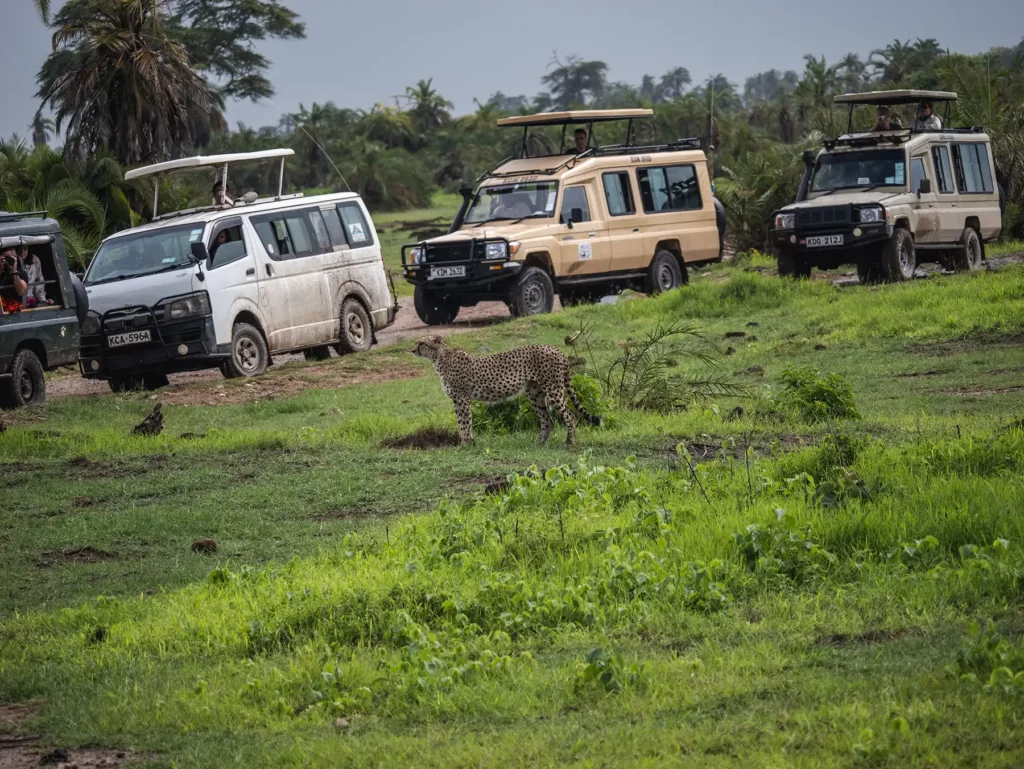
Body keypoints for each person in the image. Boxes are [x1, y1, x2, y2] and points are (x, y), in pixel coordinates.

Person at [0, 248, 28, 314]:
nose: (7, 260)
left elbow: (21, 292)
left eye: (8, 257)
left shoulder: (22, 274)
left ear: (15, 257)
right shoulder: (3, 273)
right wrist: (1, 266)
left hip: (15, 309)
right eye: (5, 258)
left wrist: (14, 270)